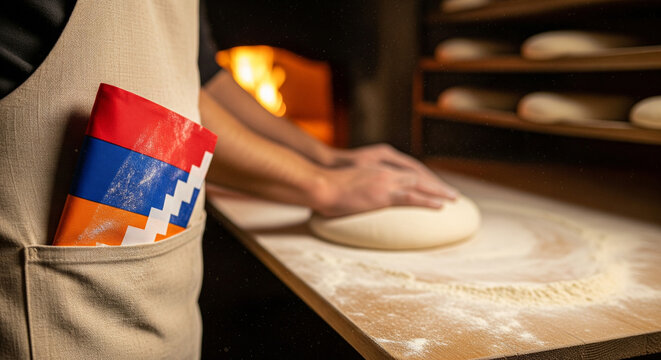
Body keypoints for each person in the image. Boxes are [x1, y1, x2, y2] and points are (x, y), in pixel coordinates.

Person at [0, 1, 455, 358]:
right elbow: (163, 108)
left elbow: (200, 81)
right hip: (54, 317)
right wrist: (320, 185)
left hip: (161, 304)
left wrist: (326, 157)